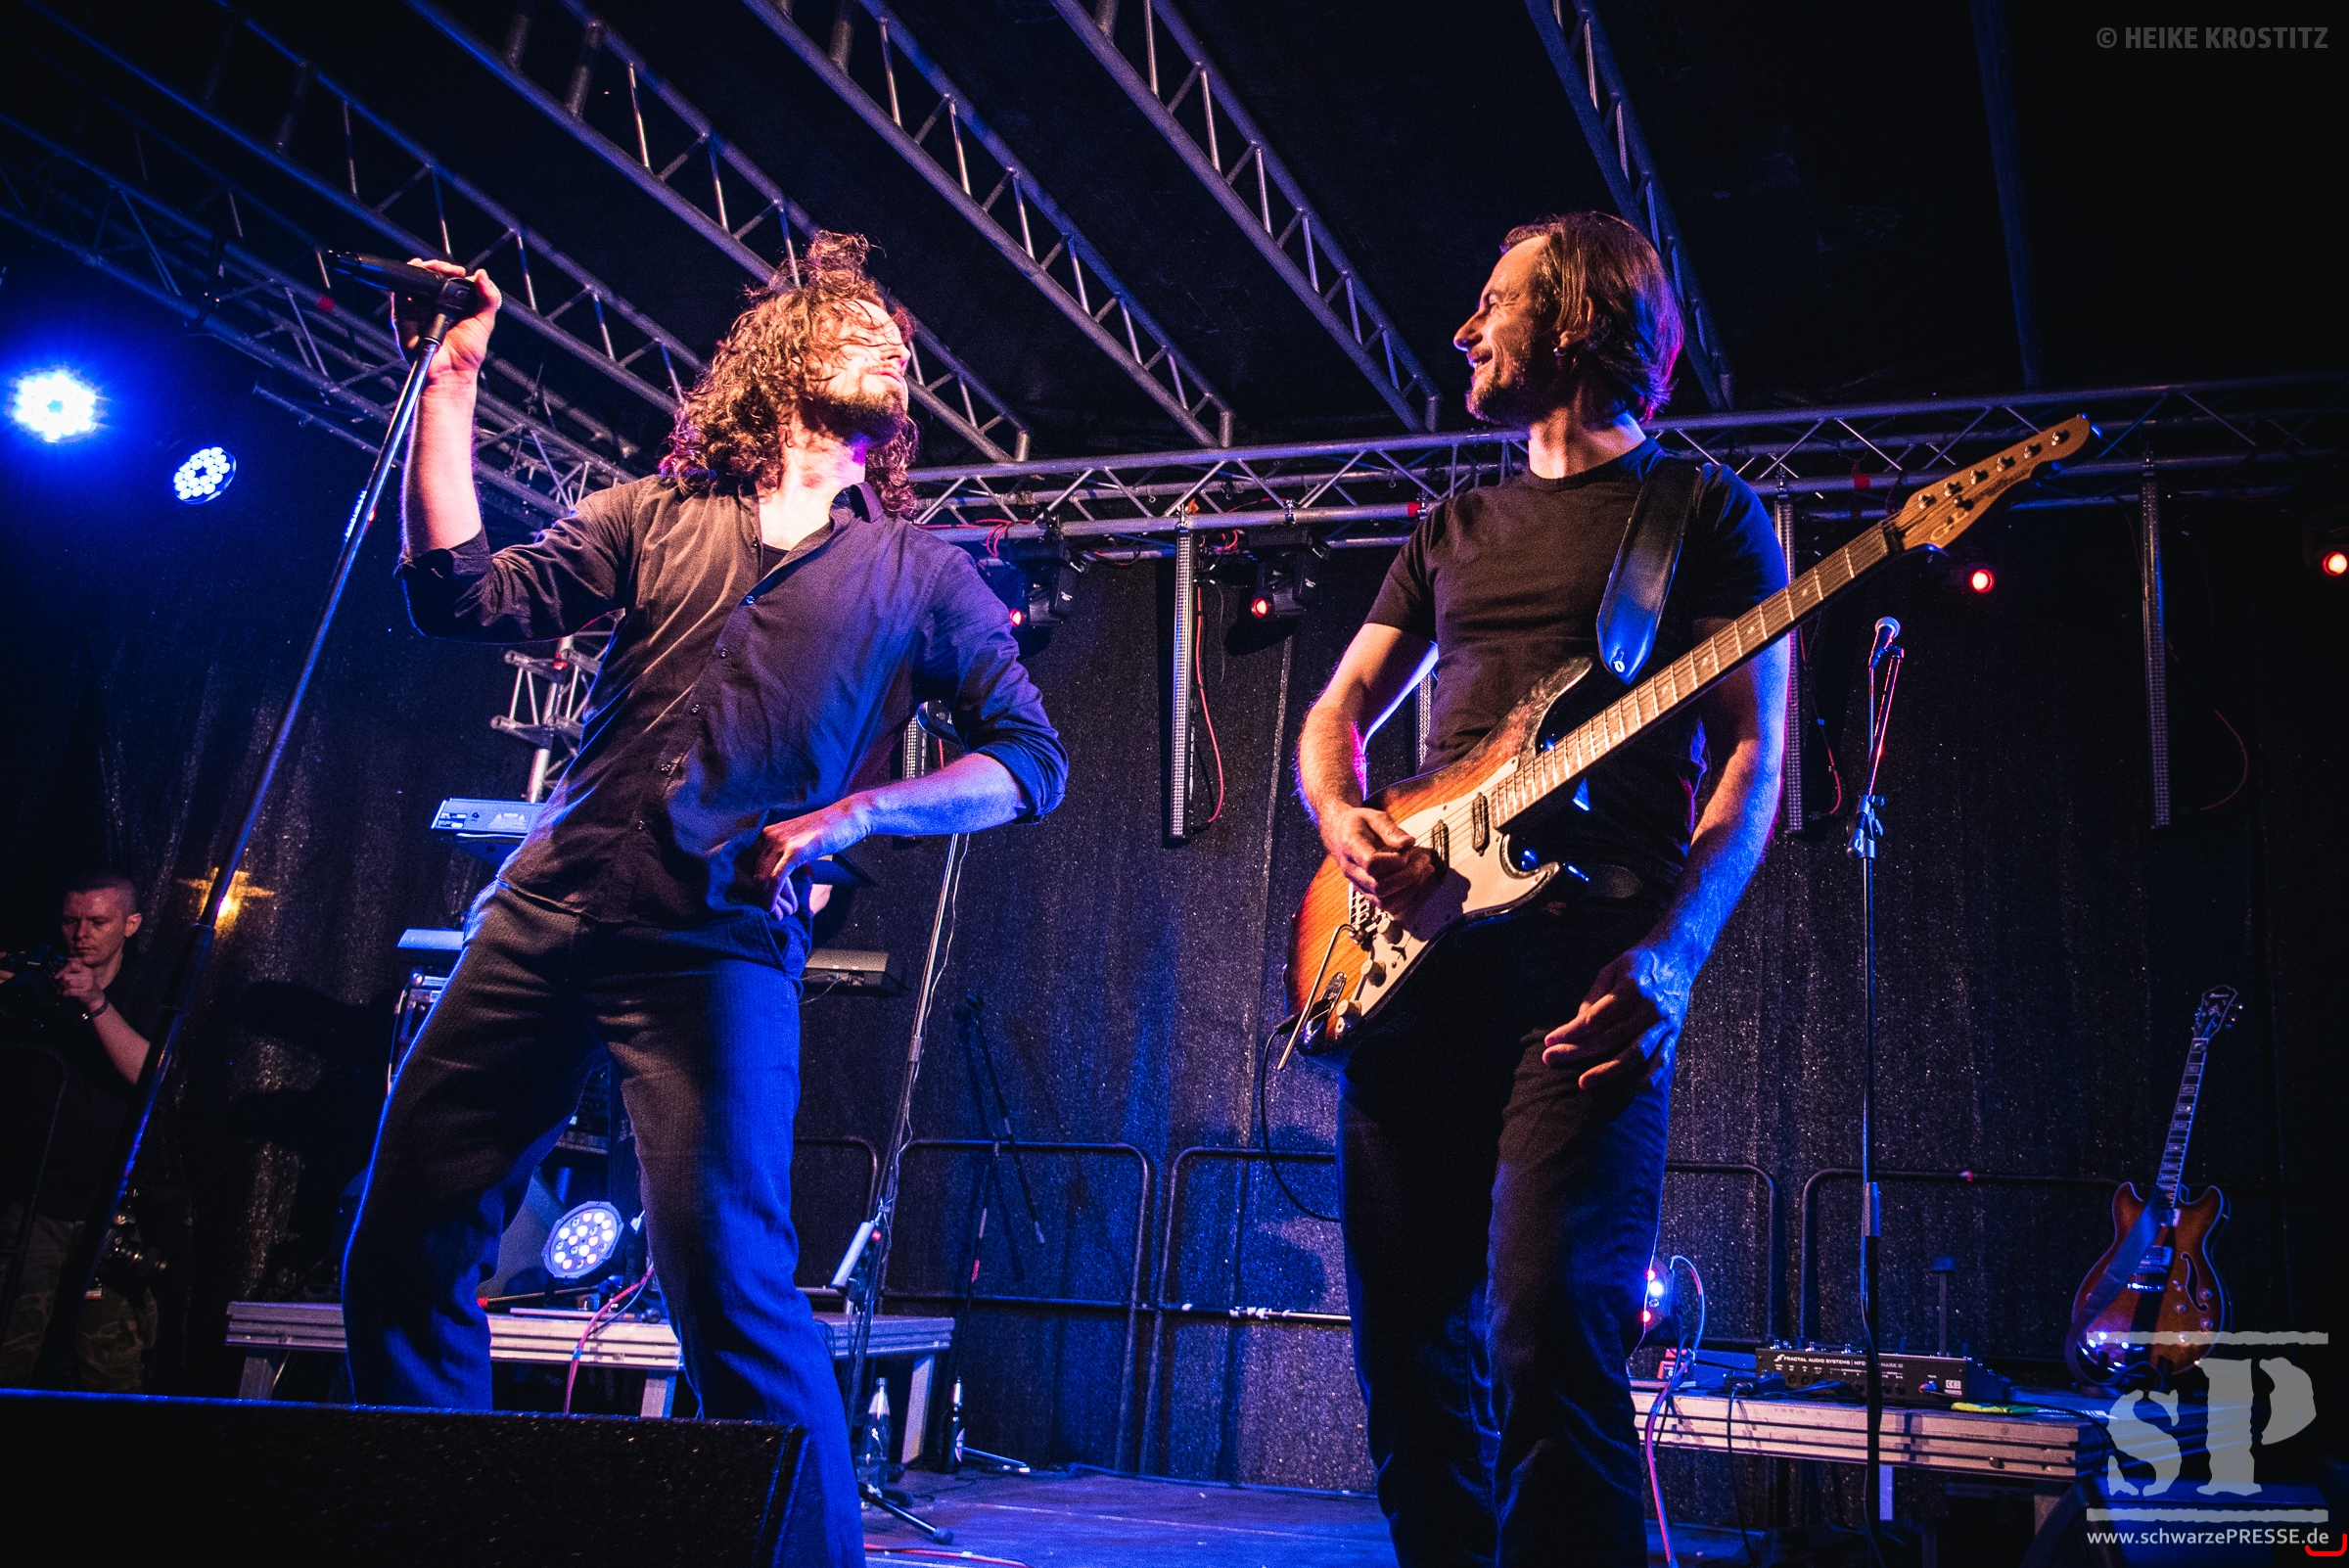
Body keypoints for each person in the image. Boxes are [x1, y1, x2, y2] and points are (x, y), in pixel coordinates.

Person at [343, 233, 1067, 1565]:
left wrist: (857, 813)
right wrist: (447, 387)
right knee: (401, 1240)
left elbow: (1030, 764)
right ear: (783, 362)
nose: (891, 352)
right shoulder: (651, 516)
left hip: (716, 946)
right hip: (545, 912)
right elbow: (460, 595)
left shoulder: (922, 574)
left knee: (728, 1284)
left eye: (898, 347)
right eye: (859, 330)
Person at [1293, 212, 1789, 1566]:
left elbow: (1754, 758)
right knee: (1408, 1352)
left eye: (1493, 301)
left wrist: (1673, 955)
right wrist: (1344, 816)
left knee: (1550, 1327)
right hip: (1411, 964)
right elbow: (1337, 712)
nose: (1464, 330)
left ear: (1574, 322)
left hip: (1587, 969)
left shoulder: (1701, 515)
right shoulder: (1451, 525)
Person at [0, 871, 168, 1390]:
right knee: (11, 1352)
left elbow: (152, 1073)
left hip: (110, 1209)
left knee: (109, 1367)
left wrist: (95, 1002)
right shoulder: (35, 981)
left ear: (131, 924)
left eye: (98, 921)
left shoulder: (151, 987)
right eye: (71, 921)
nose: (81, 934)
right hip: (30, 1202)